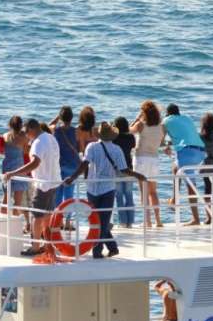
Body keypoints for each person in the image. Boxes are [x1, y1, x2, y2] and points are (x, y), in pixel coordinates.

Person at [63, 122, 147, 259]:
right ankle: (109, 248)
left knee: (96, 221)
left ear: (99, 135)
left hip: (92, 187)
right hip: (108, 188)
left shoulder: (91, 147)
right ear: (112, 136)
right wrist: (138, 176)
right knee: (103, 220)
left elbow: (84, 165)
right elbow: (124, 170)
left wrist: (72, 178)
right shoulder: (117, 149)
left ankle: (99, 250)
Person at [2, 119, 63, 256]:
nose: (26, 136)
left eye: (26, 132)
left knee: (36, 216)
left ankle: (35, 247)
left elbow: (35, 163)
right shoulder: (51, 138)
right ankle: (47, 243)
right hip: (54, 181)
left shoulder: (38, 142)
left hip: (43, 184)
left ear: (30, 130)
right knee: (47, 214)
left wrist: (13, 173)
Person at [162, 103, 206, 226]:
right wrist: (171, 144)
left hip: (187, 153)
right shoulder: (186, 118)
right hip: (201, 152)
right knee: (175, 168)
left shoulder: (166, 120)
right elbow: (185, 136)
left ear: (168, 113)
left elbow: (161, 139)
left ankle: (196, 219)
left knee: (191, 186)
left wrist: (165, 146)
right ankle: (175, 199)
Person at [132, 101, 165, 228]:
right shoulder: (162, 127)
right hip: (154, 159)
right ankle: (158, 220)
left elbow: (128, 130)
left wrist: (136, 118)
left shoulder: (141, 125)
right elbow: (161, 143)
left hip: (141, 159)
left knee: (143, 192)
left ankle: (147, 222)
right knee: (153, 192)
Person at [51, 106, 81, 204]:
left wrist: (57, 118)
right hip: (73, 166)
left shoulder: (56, 130)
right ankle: (68, 218)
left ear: (61, 118)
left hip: (59, 165)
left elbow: (48, 126)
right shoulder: (76, 131)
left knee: (58, 194)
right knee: (69, 195)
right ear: (71, 118)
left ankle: (58, 217)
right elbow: (79, 147)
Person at [112, 116, 137, 228]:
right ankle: (130, 222)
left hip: (117, 168)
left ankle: (122, 222)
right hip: (129, 168)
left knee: (119, 195)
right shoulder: (131, 137)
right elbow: (133, 146)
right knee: (129, 195)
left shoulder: (114, 138)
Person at [1, 115, 30, 212]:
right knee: (17, 203)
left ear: (10, 125)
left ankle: (2, 222)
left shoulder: (5, 136)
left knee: (5, 199)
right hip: (18, 169)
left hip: (7, 168)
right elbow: (26, 152)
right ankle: (13, 225)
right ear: (21, 126)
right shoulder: (24, 138)